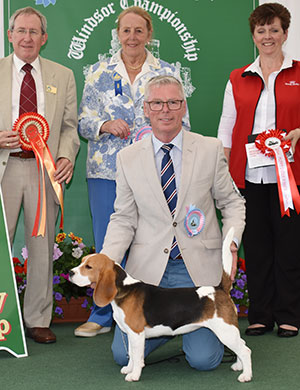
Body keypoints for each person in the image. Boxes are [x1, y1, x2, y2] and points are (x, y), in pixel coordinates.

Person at [99, 75, 245, 370]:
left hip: (197, 276)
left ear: (184, 107)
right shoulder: (127, 158)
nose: (165, 110)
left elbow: (232, 203)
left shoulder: (209, 149)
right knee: (122, 356)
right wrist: (107, 260)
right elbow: (123, 218)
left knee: (204, 361)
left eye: (173, 102)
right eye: (157, 103)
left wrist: (231, 241)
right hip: (148, 277)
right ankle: (165, 330)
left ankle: (180, 332)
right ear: (145, 109)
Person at [76, 6, 190, 337]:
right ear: (117, 34)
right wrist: (104, 124)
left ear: (149, 35)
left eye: (139, 30)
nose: (132, 37)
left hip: (155, 173)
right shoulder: (97, 73)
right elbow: (83, 122)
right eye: (126, 30)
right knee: (108, 244)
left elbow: (183, 120)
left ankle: (146, 310)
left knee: (151, 241)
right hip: (105, 172)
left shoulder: (167, 73)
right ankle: (101, 314)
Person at [217, 3, 300, 338]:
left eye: (274, 30)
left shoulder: (299, 73)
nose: (268, 37)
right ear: (253, 35)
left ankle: (290, 315)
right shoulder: (238, 78)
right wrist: (222, 172)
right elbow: (226, 127)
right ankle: (260, 315)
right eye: (261, 30)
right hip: (248, 178)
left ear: (285, 33)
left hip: (289, 180)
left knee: (290, 247)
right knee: (258, 247)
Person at [0, 7, 80, 343]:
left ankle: (37, 319)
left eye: (34, 32)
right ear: (10, 35)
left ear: (44, 38)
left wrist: (64, 155)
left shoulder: (63, 75)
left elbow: (69, 127)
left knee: (42, 247)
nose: (27, 38)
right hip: (3, 168)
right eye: (21, 31)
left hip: (41, 171)